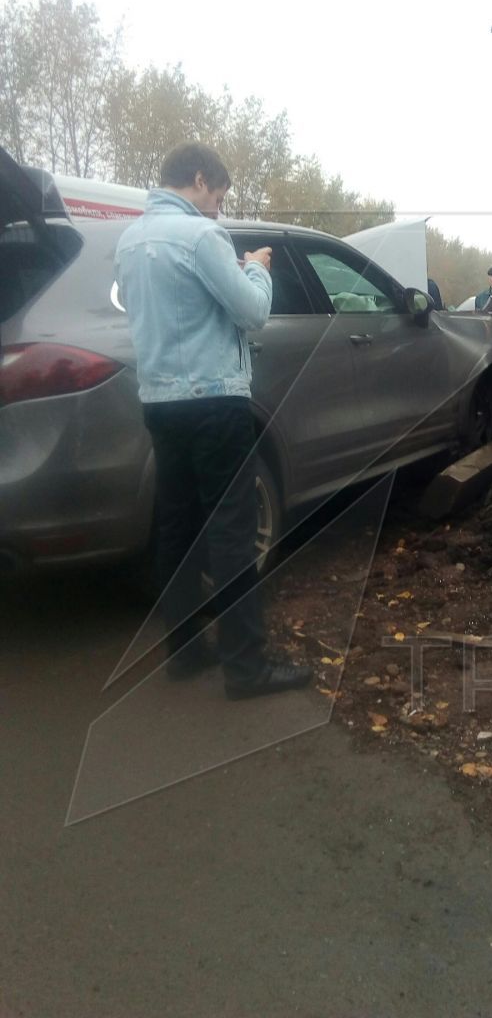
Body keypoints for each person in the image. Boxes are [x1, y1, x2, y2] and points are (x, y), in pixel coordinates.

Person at [115, 142, 313, 700]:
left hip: (159, 401)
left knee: (176, 526)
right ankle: (246, 668)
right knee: (231, 529)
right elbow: (251, 314)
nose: (219, 210)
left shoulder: (128, 242)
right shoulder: (203, 237)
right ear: (199, 179)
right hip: (214, 401)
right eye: (218, 196)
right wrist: (256, 270)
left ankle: (184, 650)